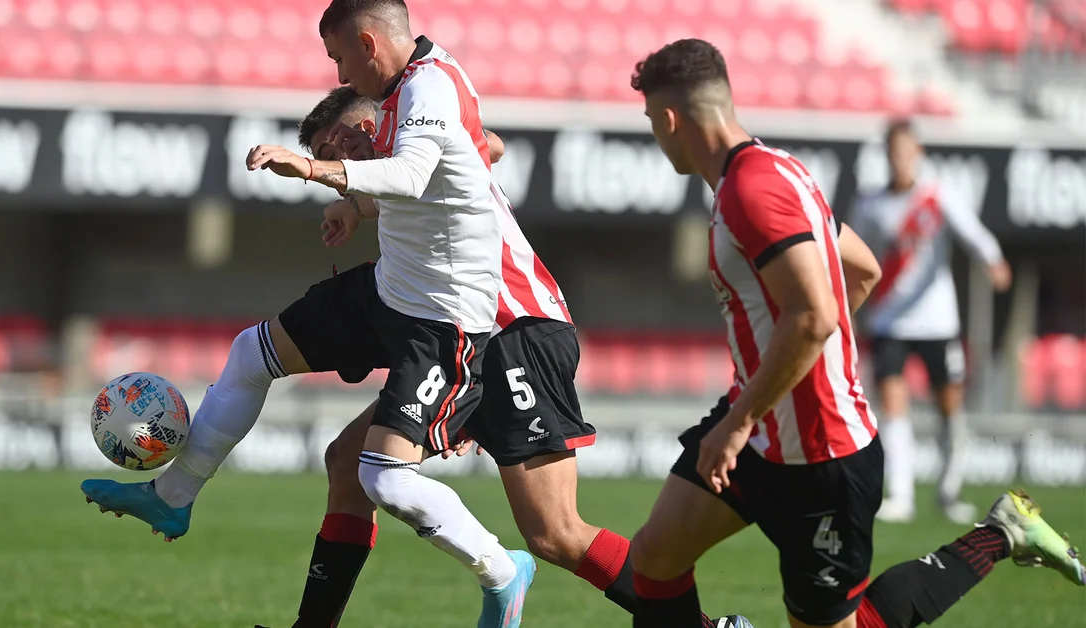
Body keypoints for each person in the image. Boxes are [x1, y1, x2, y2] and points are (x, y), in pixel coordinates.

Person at [81, 1, 539, 626]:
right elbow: (474, 150)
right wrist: (355, 202)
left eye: (339, 56)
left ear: (369, 44)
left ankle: (503, 571)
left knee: (382, 479)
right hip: (389, 291)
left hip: (442, 319)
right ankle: (172, 496)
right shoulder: (411, 90)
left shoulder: (429, 84)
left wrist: (316, 168)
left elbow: (412, 173)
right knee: (252, 352)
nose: (341, 73)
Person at [627, 38, 1084, 628]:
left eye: (651, 123)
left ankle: (1000, 533)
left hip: (821, 454)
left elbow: (815, 316)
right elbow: (861, 269)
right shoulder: (775, 171)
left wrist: (747, 415)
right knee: (656, 559)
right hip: (761, 431)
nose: (655, 138)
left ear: (670, 120)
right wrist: (785, 379)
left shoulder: (750, 190)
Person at [278, 86, 755, 628]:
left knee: (556, 533)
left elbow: (487, 147)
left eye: (331, 149)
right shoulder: (404, 166)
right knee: (348, 461)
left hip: (513, 332)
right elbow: (491, 148)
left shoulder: (418, 145)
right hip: (467, 341)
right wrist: (359, 204)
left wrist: (352, 197)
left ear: (363, 129)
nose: (332, 164)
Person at [848, 119, 1012, 524]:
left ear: (917, 154)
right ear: (886, 156)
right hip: (888, 322)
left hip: (937, 322)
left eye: (907, 151)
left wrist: (992, 259)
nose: (900, 159)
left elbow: (971, 232)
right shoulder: (871, 204)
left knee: (949, 408)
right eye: (894, 152)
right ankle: (900, 495)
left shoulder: (937, 196)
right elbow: (850, 249)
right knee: (892, 404)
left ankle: (948, 491)